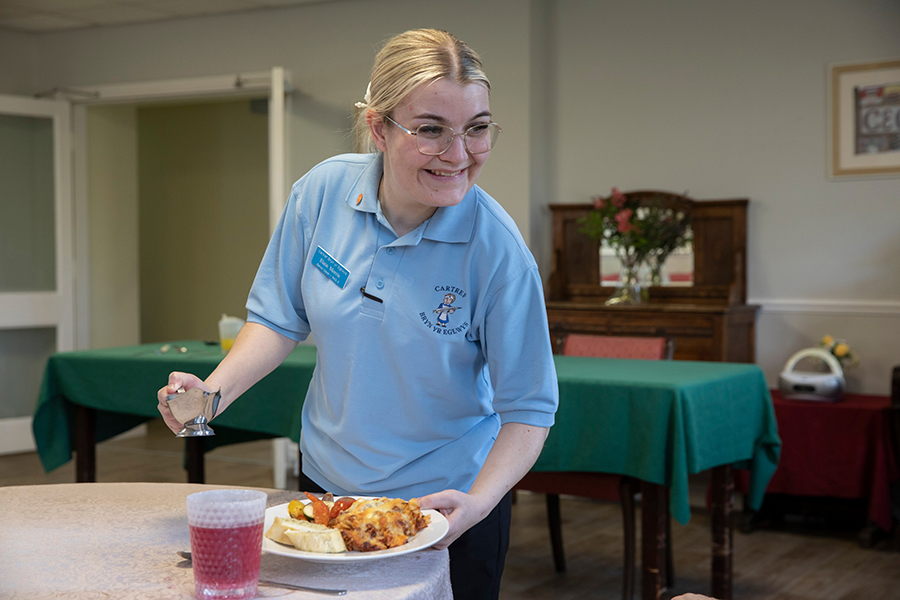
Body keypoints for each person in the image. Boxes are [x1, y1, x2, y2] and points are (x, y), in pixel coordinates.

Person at [157, 28, 558, 600]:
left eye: (476, 129)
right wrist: (209, 396)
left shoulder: (496, 250)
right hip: (327, 489)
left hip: (445, 505)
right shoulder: (321, 192)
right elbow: (277, 318)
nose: (459, 154)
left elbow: (529, 409)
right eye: (430, 130)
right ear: (378, 127)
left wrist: (478, 504)